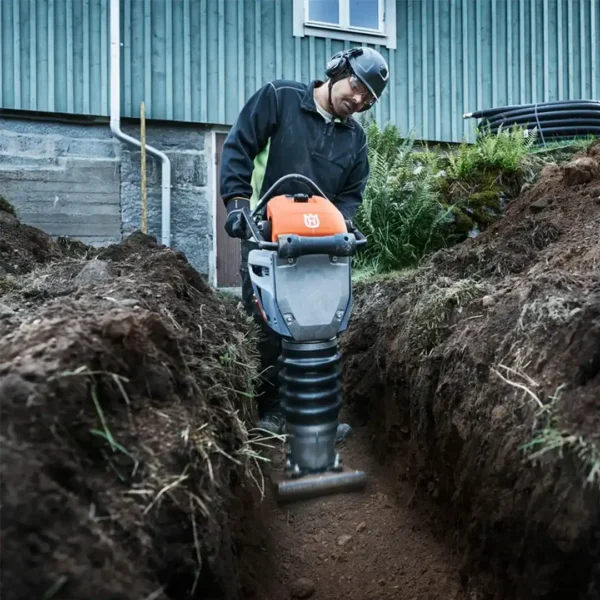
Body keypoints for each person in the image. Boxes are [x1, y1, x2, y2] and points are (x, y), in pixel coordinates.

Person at [219, 47, 389, 435]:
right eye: (357, 85)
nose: (359, 99)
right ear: (337, 70)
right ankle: (273, 410)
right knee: (269, 325)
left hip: (320, 245)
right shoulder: (279, 99)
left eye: (369, 99)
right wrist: (238, 206)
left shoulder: (355, 140)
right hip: (268, 236)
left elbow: (351, 194)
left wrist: (341, 226)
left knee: (321, 326)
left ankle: (318, 412)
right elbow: (239, 147)